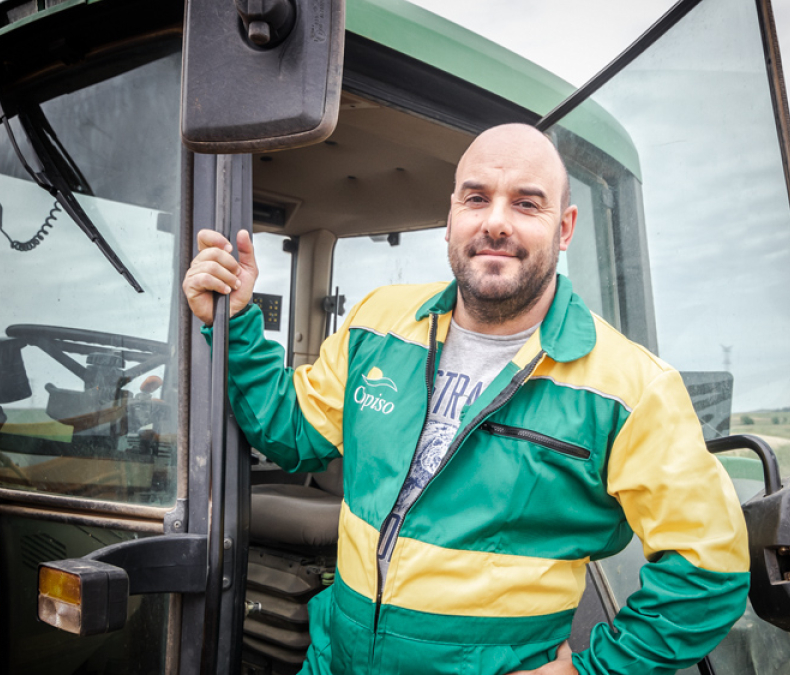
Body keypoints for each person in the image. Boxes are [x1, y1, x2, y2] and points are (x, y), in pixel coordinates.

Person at [182, 124, 750, 675]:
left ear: (565, 226)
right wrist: (232, 322)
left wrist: (596, 670)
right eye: (477, 198)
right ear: (452, 214)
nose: (496, 222)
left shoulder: (631, 388)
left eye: (527, 204)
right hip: (336, 659)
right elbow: (290, 428)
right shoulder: (378, 322)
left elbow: (709, 569)